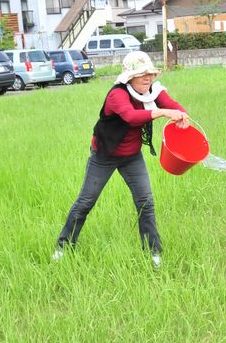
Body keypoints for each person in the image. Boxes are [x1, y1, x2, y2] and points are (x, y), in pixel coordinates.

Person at [53, 51, 190, 267]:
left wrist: (182, 114)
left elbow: (172, 104)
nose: (147, 78)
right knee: (86, 202)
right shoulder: (117, 95)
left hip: (132, 157)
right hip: (104, 156)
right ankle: (63, 247)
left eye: (150, 74)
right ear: (129, 77)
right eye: (141, 74)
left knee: (146, 202)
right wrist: (162, 113)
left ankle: (153, 253)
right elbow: (130, 116)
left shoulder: (152, 90)